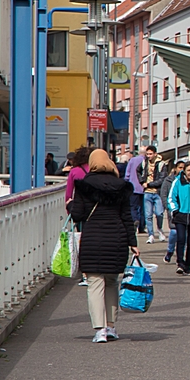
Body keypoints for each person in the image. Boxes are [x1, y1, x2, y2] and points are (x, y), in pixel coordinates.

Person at [67, 149, 138, 343]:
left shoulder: (84, 186)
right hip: (117, 239)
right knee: (112, 282)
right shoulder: (122, 186)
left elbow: (78, 215)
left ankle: (100, 330)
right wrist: (133, 243)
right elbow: (127, 217)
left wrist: (71, 204)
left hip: (93, 238)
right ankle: (112, 326)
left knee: (95, 283)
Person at [64, 145, 93, 288]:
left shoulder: (75, 172)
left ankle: (85, 274)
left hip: (81, 211)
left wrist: (71, 212)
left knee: (82, 242)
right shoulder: (97, 171)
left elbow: (68, 195)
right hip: (97, 211)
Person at [167, 161, 190, 275]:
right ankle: (180, 263)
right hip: (181, 215)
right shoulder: (177, 182)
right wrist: (175, 210)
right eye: (188, 170)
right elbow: (171, 197)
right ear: (184, 172)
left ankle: (188, 265)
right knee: (181, 239)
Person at [138, 147, 167, 242]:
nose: (149, 156)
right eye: (147, 154)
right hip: (147, 192)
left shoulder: (161, 164)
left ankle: (160, 229)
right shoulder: (144, 163)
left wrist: (149, 184)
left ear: (155, 154)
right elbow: (137, 171)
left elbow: (162, 179)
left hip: (157, 192)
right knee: (148, 215)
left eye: (150, 154)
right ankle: (151, 235)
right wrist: (142, 181)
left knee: (159, 213)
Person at [160, 160, 185, 263]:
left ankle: (180, 256)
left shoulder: (188, 181)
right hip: (173, 210)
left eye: (184, 168)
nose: (182, 170)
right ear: (175, 168)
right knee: (174, 232)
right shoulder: (168, 180)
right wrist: (169, 207)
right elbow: (164, 194)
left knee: (184, 235)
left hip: (185, 210)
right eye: (180, 167)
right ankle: (170, 251)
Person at [124, 149, 146, 234]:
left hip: (133, 187)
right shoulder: (146, 161)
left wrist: (127, 182)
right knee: (143, 209)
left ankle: (135, 220)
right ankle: (141, 227)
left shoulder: (133, 160)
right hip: (144, 187)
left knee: (133, 206)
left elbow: (127, 173)